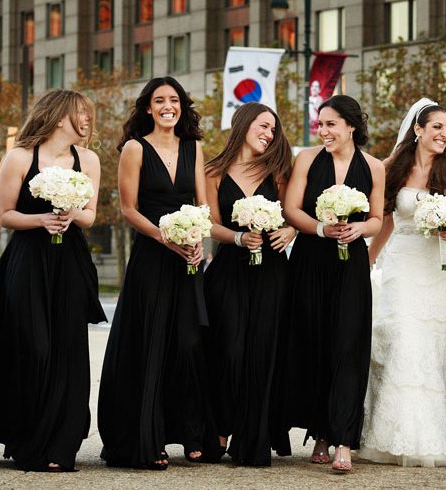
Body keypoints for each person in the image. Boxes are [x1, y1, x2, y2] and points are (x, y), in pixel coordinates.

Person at [0, 89, 105, 472]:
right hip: (29, 261)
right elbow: (3, 214)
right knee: (33, 345)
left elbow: (91, 216)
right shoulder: (19, 157)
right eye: (80, 114)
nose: (86, 120)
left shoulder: (89, 159)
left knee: (68, 350)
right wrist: (40, 220)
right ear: (58, 115)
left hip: (69, 262)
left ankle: (60, 446)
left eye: (88, 115)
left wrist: (71, 211)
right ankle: (27, 439)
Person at [360, 99, 446, 467]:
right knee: (404, 342)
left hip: (438, 268)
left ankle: (437, 436)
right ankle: (397, 435)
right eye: (437, 127)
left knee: (437, 345)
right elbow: (385, 219)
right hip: (403, 264)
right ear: (417, 130)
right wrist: (366, 260)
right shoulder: (390, 167)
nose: (445, 134)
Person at [97, 77, 210, 470]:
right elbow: (128, 209)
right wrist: (167, 238)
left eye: (174, 100)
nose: (167, 106)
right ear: (148, 108)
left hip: (188, 259)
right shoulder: (134, 148)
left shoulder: (194, 147)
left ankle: (192, 433)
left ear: (181, 107)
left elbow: (202, 204)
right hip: (152, 255)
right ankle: (151, 437)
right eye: (159, 100)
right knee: (153, 343)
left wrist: (199, 242)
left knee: (189, 343)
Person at [280, 95, 385, 472]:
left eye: (330, 124)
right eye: (320, 124)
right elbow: (291, 208)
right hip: (310, 260)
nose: (323, 131)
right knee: (314, 344)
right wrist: (323, 229)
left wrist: (360, 228)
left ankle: (343, 439)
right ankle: (320, 432)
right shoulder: (307, 159)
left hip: (350, 264)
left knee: (347, 346)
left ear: (351, 125)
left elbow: (376, 218)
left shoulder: (374, 166)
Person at [202, 102, 296, 466]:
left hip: (271, 270)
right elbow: (210, 223)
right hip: (229, 269)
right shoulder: (213, 171)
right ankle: (221, 425)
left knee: (262, 351)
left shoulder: (278, 172)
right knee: (229, 349)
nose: (269, 134)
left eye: (273, 129)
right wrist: (238, 238)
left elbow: (293, 214)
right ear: (243, 125)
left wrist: (288, 229)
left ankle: (252, 436)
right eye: (263, 126)